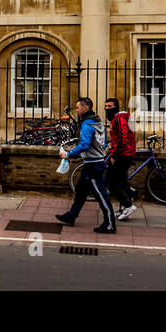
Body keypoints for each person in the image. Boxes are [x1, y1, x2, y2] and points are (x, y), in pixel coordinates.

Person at [55, 97, 116, 234]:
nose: (76, 110)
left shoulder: (87, 124)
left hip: (93, 164)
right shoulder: (97, 121)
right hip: (95, 161)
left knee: (101, 194)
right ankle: (71, 216)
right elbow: (103, 142)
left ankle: (110, 224)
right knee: (81, 191)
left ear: (85, 108)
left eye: (78, 108)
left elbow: (84, 144)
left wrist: (69, 154)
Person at [102, 98, 137, 221]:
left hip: (122, 155)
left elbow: (122, 138)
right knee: (122, 181)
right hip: (125, 153)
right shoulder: (120, 118)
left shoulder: (119, 119)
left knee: (111, 182)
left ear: (116, 107)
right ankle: (125, 208)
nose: (106, 108)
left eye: (109, 106)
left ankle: (128, 205)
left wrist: (114, 155)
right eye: (105, 106)